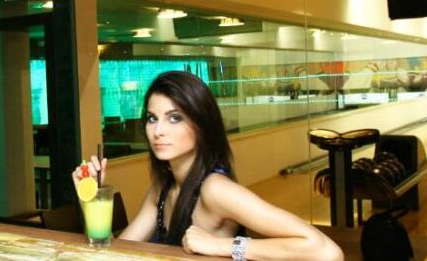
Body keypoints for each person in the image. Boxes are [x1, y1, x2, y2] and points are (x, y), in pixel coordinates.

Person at [73, 71, 342, 260]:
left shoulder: (215, 190)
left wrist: (223, 246)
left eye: (175, 118)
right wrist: (91, 198)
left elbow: (326, 251)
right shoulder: (162, 188)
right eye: (152, 118)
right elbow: (117, 252)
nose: (158, 130)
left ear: (202, 124)